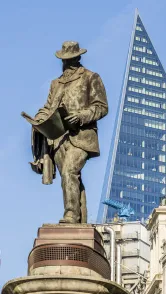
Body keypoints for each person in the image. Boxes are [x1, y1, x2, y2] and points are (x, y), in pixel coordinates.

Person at [34, 41, 108, 223]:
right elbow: (48, 107)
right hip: (58, 137)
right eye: (64, 60)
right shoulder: (55, 84)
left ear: (78, 58)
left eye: (69, 60)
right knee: (71, 178)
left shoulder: (91, 77)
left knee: (69, 171)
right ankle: (80, 220)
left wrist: (82, 116)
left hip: (82, 136)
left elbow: (102, 107)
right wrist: (39, 118)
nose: (66, 64)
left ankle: (71, 215)